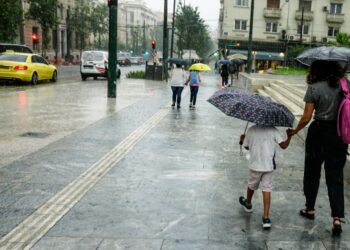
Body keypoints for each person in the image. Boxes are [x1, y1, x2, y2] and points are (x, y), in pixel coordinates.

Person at [287, 60, 348, 237]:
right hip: (338, 134)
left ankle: (310, 208)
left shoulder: (314, 87)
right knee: (335, 175)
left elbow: (306, 117)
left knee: (312, 172)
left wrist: (295, 131)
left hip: (318, 132)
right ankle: (337, 217)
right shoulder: (344, 84)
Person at [239, 125, 292, 229]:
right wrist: (289, 136)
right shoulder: (273, 130)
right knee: (267, 189)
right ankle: (266, 218)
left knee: (251, 186)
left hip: (255, 165)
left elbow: (247, 146)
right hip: (268, 166)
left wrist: (242, 139)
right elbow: (284, 146)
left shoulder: (251, 130)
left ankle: (248, 203)